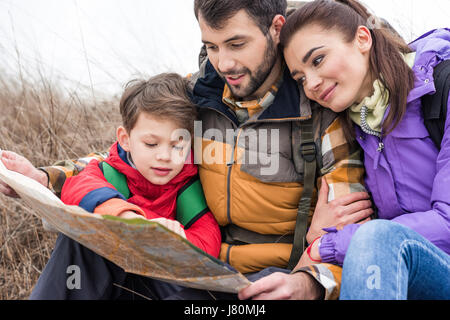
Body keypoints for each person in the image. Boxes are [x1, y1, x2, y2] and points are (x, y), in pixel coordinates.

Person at [0, 0, 374, 300]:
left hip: (262, 284)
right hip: (186, 267)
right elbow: (122, 157)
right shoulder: (195, 96)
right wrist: (45, 178)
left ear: (276, 29)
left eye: (237, 44)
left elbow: (346, 230)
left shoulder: (320, 114)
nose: (223, 62)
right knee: (81, 243)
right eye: (211, 46)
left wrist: (310, 282)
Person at [279, 0, 450, 299]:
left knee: (376, 238)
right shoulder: (358, 126)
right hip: (408, 277)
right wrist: (319, 232)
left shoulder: (442, 87)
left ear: (362, 38)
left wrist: (330, 244)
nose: (312, 85)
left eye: (317, 60)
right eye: (301, 78)